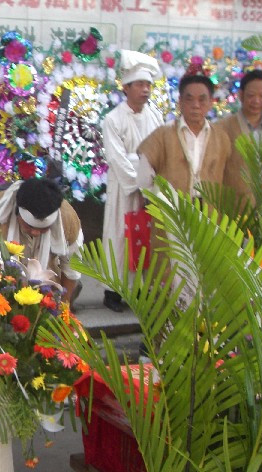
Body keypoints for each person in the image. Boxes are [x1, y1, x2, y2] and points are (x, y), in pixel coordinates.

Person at [100, 50, 164, 312]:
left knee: (147, 237)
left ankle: (142, 290)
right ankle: (112, 292)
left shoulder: (155, 115)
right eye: (140, 84)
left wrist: (152, 184)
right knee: (120, 235)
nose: (145, 90)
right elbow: (117, 158)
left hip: (150, 187)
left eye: (148, 84)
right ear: (126, 87)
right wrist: (139, 183)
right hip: (125, 189)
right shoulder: (113, 119)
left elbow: (160, 149)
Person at [0, 177, 84, 305]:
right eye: (29, 226)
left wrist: (64, 305)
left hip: (48, 287)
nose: (35, 233)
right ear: (18, 214)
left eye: (43, 229)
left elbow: (72, 268)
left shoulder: (68, 219)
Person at [137, 73, 232, 200]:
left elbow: (228, 178)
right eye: (189, 99)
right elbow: (144, 180)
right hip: (173, 213)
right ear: (180, 101)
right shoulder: (161, 135)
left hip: (210, 213)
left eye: (202, 99)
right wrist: (163, 203)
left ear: (210, 103)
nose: (196, 105)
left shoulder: (221, 138)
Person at [214, 69, 262, 210]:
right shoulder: (221, 129)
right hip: (233, 211)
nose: (256, 101)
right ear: (241, 95)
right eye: (251, 95)